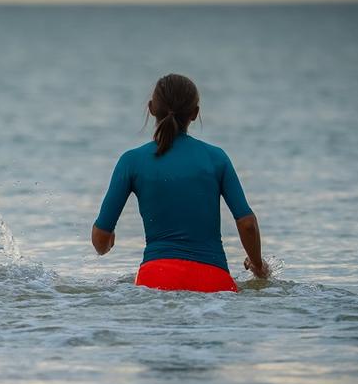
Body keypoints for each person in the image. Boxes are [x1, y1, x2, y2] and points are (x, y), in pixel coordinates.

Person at [91, 74, 268, 292]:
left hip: (155, 278)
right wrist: (258, 266)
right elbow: (247, 224)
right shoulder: (216, 158)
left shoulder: (131, 161)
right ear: (195, 113)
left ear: (151, 108)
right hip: (214, 280)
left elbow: (100, 238)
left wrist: (106, 244)